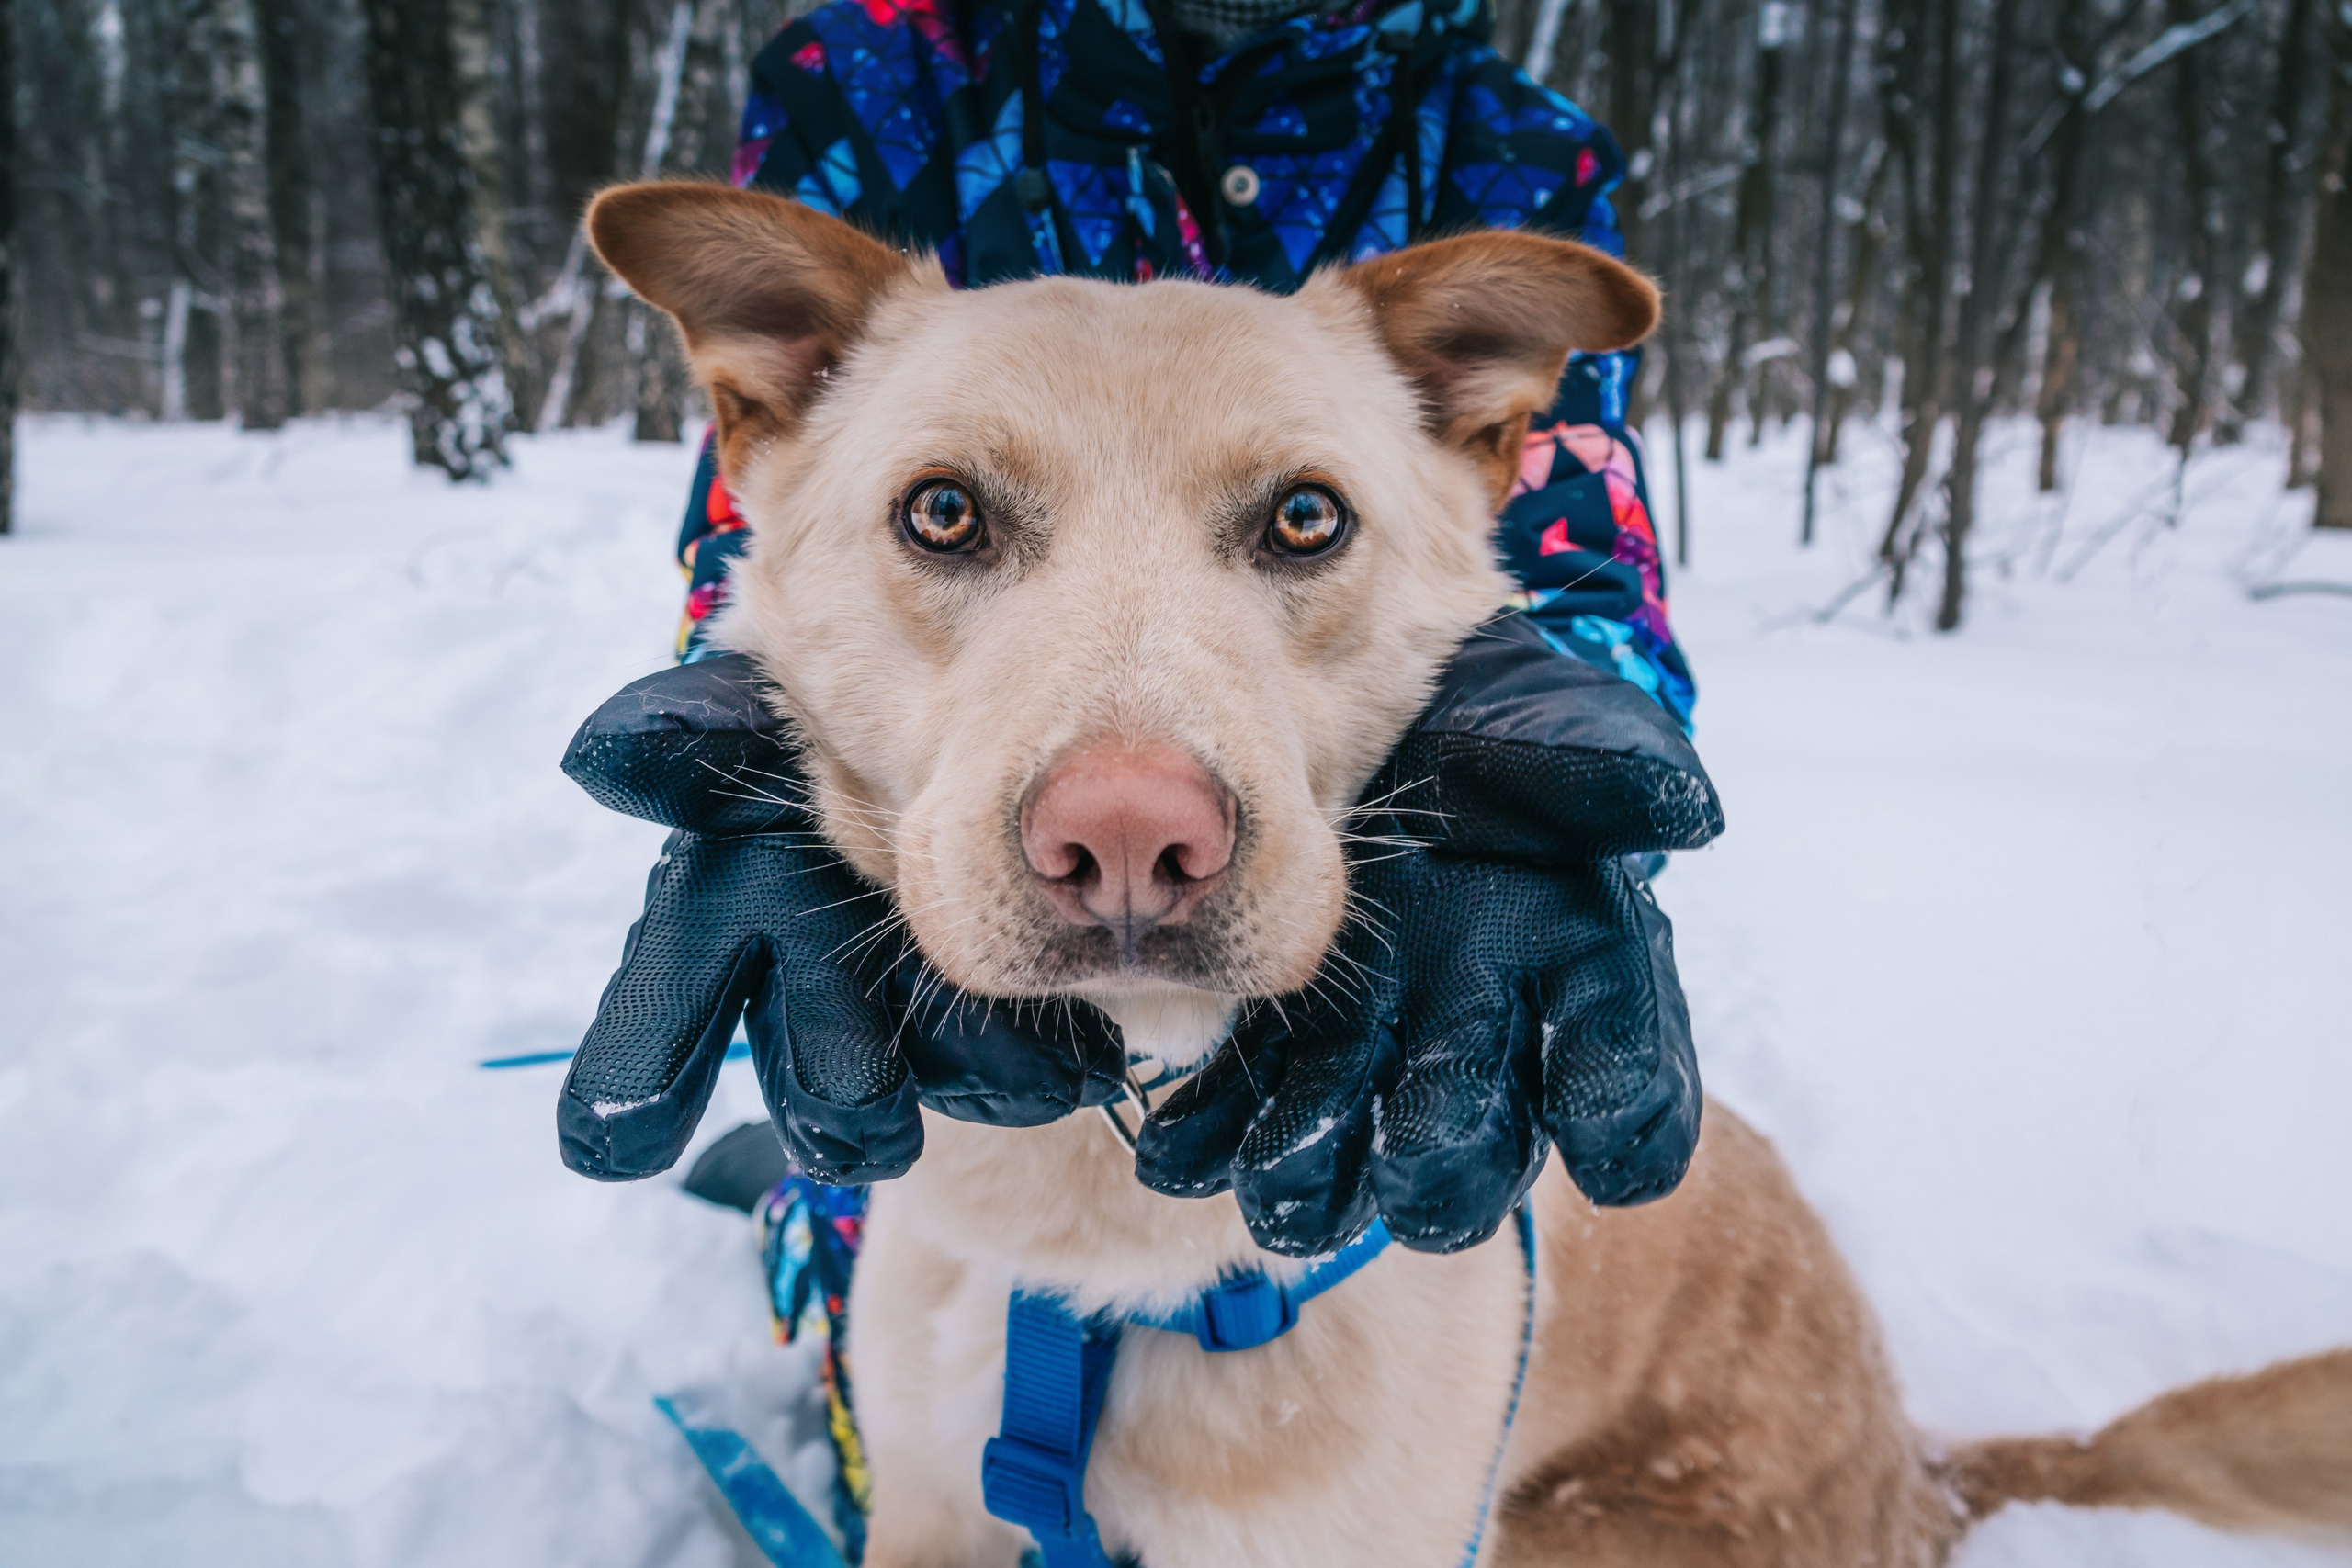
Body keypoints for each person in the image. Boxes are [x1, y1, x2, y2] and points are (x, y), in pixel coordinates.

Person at [557, 0, 1722, 1269]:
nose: (1125, 821)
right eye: (951, 515)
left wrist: (1528, 812)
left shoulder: (1503, 140)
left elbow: (1577, 558)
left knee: (1411, 1180)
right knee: (855, 1076)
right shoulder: (878, 65)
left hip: (1338, 922)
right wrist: (763, 767)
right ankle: (834, 1219)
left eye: (1299, 518)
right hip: (932, 966)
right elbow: (765, 534)